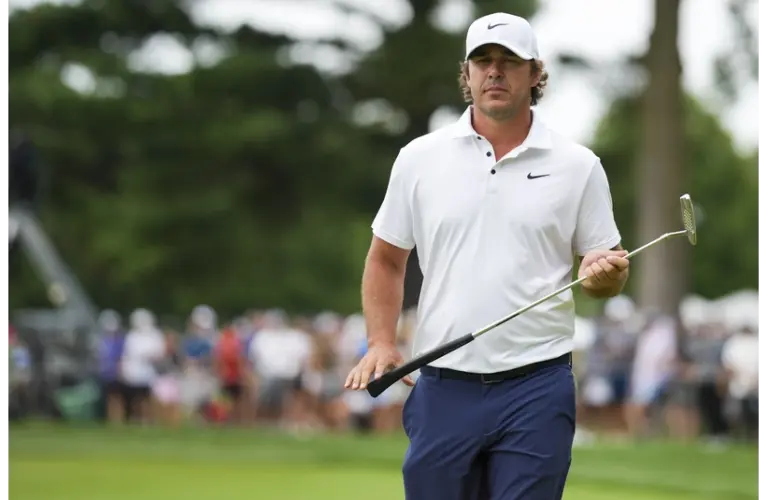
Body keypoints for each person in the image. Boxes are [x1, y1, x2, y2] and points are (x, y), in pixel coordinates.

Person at [344, 12, 629, 500]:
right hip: (444, 383)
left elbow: (606, 272)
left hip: (537, 384)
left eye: (508, 62)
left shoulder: (578, 166)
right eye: (483, 61)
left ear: (536, 73)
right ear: (468, 73)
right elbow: (386, 258)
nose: (494, 72)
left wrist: (601, 277)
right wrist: (381, 341)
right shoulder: (420, 158)